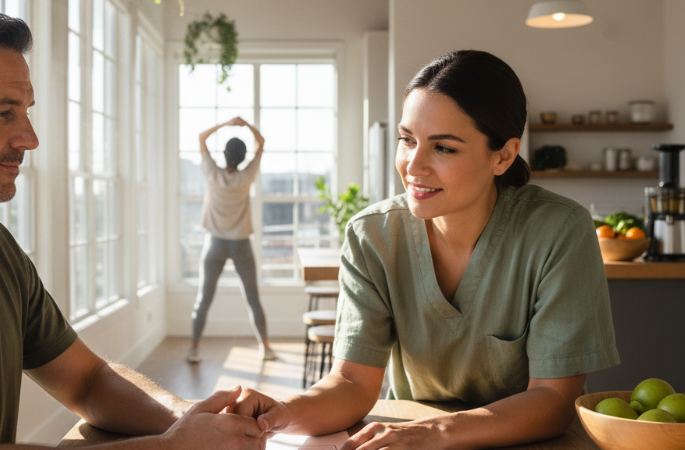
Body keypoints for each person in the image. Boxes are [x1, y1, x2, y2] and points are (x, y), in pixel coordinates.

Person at [0, 2, 266, 449]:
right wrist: (174, 446)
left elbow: (86, 380)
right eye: (4, 112)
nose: (30, 137)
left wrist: (187, 417)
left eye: (26, 110)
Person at [234, 50, 620, 449]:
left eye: (444, 148)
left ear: (503, 156)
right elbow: (351, 382)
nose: (413, 166)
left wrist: (437, 431)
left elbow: (555, 399)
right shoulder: (373, 236)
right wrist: (279, 414)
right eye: (407, 140)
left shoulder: (560, 230)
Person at [188, 117, 275, 363]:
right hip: (241, 245)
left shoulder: (212, 173)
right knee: (253, 297)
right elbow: (262, 142)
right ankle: (265, 347)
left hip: (214, 243)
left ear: (224, 155)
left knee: (203, 298)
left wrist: (225, 124)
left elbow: (201, 138)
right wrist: (246, 124)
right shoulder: (246, 176)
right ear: (243, 156)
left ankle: (194, 348)